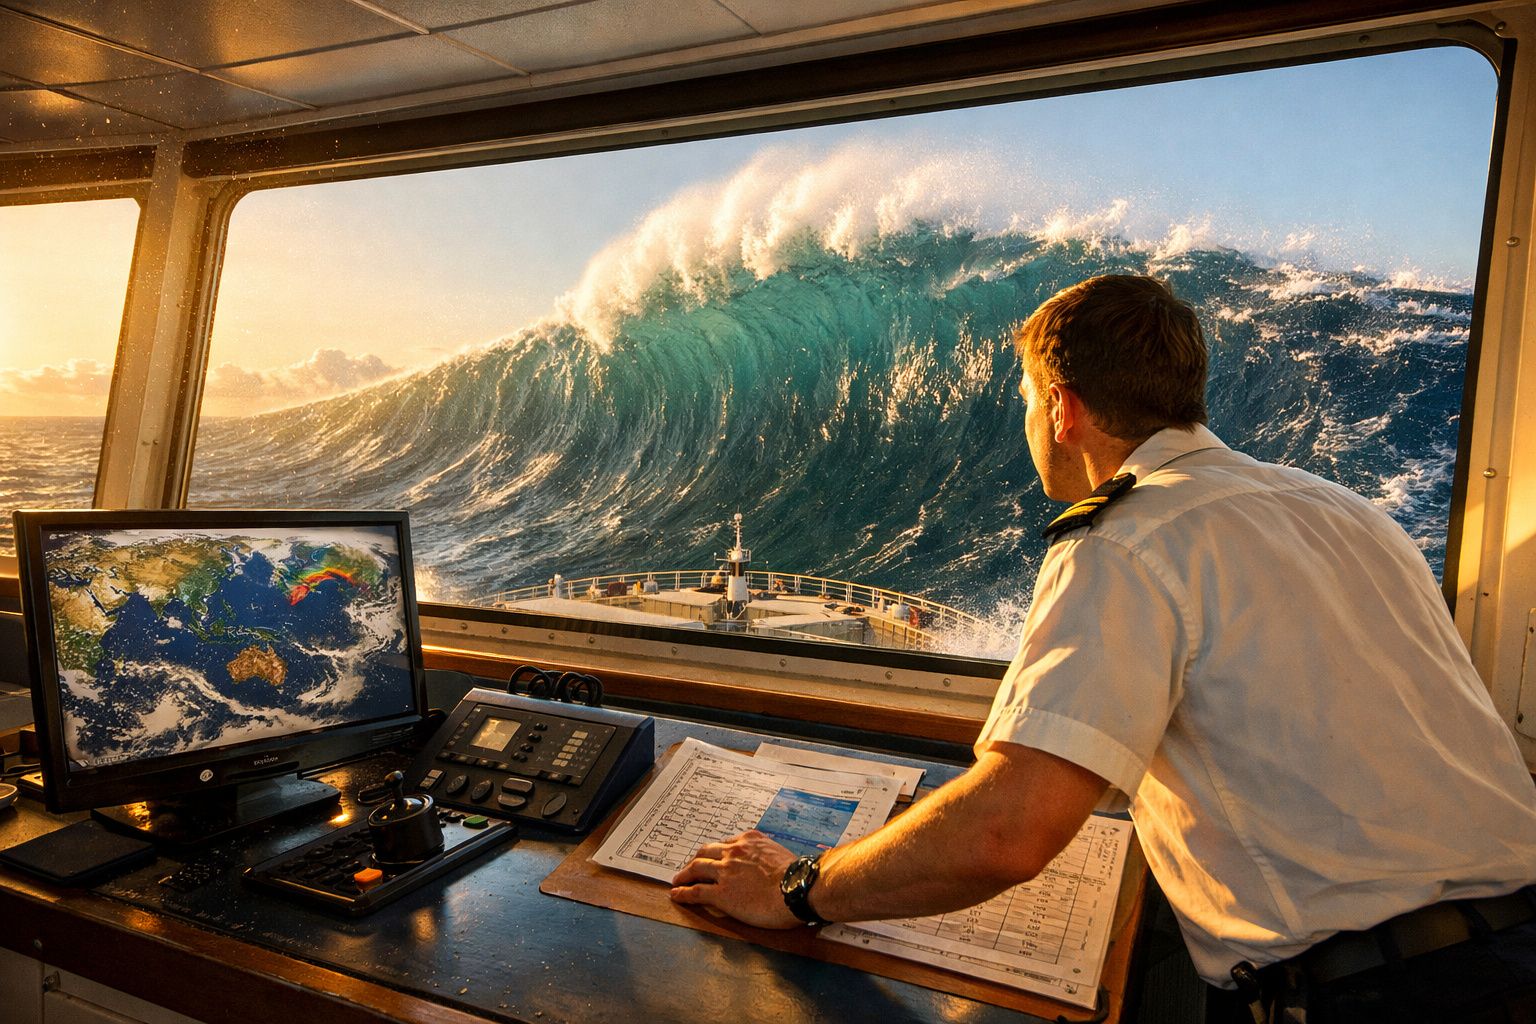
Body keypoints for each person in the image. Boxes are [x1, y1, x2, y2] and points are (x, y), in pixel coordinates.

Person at [668, 274, 1536, 1022]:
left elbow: (1007, 834)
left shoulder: (1125, 539)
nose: (1027, 423)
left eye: (1023, 401)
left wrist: (796, 890)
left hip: (1393, 996)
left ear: (1063, 409)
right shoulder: (1347, 512)